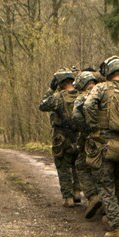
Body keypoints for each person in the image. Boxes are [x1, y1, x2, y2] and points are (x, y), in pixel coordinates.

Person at [83, 56, 119, 237]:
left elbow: (88, 105)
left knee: (106, 185)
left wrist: (93, 126)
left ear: (107, 72)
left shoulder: (100, 88)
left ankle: (116, 226)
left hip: (105, 143)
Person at [38, 69, 81, 207]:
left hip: (61, 137)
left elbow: (43, 105)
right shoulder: (81, 95)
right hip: (79, 137)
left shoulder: (57, 97)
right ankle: (77, 192)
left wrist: (50, 89)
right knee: (77, 165)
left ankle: (68, 197)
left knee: (63, 166)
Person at [71, 69, 100, 212]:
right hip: (113, 139)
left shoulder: (83, 97)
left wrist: (86, 131)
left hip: (91, 139)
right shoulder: (104, 92)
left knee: (81, 164)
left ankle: (92, 195)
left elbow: (76, 117)